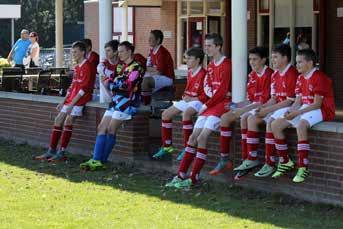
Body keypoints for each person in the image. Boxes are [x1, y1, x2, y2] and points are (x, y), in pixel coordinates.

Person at [165, 33, 232, 189]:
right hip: (211, 104)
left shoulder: (227, 64)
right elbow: (208, 87)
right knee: (192, 138)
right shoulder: (210, 65)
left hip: (221, 106)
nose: (206, 49)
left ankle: (193, 178)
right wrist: (209, 100)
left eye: (209, 46)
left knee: (202, 138)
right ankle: (180, 175)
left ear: (218, 46)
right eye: (205, 45)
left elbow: (221, 92)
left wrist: (206, 105)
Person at [233, 44, 298, 180]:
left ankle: (270, 162)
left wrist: (267, 109)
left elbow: (289, 101)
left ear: (285, 58)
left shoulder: (291, 73)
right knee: (251, 118)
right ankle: (252, 157)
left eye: (275, 57)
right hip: (277, 106)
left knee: (270, 122)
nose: (272, 60)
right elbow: (274, 98)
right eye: (272, 57)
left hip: (289, 107)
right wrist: (263, 109)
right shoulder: (275, 74)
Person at [271, 49, 335, 183]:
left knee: (301, 125)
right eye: (296, 62)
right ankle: (285, 161)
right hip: (305, 108)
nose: (297, 65)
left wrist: (298, 113)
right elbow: (298, 101)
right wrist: (290, 111)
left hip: (322, 109)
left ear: (310, 63)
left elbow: (317, 104)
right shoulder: (300, 78)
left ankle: (303, 166)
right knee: (276, 124)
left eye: (300, 62)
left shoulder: (319, 77)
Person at [79, 41, 145, 170]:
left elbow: (127, 86)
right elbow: (110, 81)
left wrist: (115, 82)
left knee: (110, 129)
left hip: (127, 103)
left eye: (121, 51)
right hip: (115, 101)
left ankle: (101, 160)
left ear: (129, 51)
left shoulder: (137, 67)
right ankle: (96, 159)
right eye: (118, 51)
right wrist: (116, 81)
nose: (119, 54)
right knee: (101, 128)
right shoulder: (120, 66)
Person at [209, 46, 273, 176]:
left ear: (264, 60)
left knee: (244, 118)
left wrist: (242, 110)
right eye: (250, 59)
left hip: (266, 108)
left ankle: (248, 158)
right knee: (225, 117)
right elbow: (250, 99)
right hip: (253, 107)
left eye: (255, 59)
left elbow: (262, 101)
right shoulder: (252, 75)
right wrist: (236, 105)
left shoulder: (269, 74)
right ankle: (224, 158)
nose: (252, 62)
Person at [35, 41, 96, 161]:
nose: (73, 54)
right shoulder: (77, 67)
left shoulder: (88, 66)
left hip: (80, 99)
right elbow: (72, 87)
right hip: (72, 99)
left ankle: (61, 152)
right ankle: (51, 151)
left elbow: (84, 89)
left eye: (75, 52)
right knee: (58, 120)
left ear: (83, 52)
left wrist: (72, 104)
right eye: (72, 52)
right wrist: (64, 102)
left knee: (69, 120)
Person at [152, 47, 207, 160]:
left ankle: (188, 147)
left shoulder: (204, 74)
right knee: (166, 114)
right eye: (186, 58)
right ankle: (167, 146)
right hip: (189, 100)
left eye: (189, 58)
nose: (187, 61)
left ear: (197, 60)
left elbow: (207, 95)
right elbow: (188, 88)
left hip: (198, 101)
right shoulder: (190, 72)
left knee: (186, 113)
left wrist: (192, 98)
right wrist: (184, 96)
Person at [141, 30, 175, 105]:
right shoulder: (152, 51)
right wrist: (152, 69)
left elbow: (159, 72)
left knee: (146, 81)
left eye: (151, 38)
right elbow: (147, 67)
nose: (149, 40)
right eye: (149, 37)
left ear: (158, 40)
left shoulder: (162, 52)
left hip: (167, 77)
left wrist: (151, 69)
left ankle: (146, 105)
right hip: (157, 75)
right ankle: (140, 103)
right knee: (137, 77)